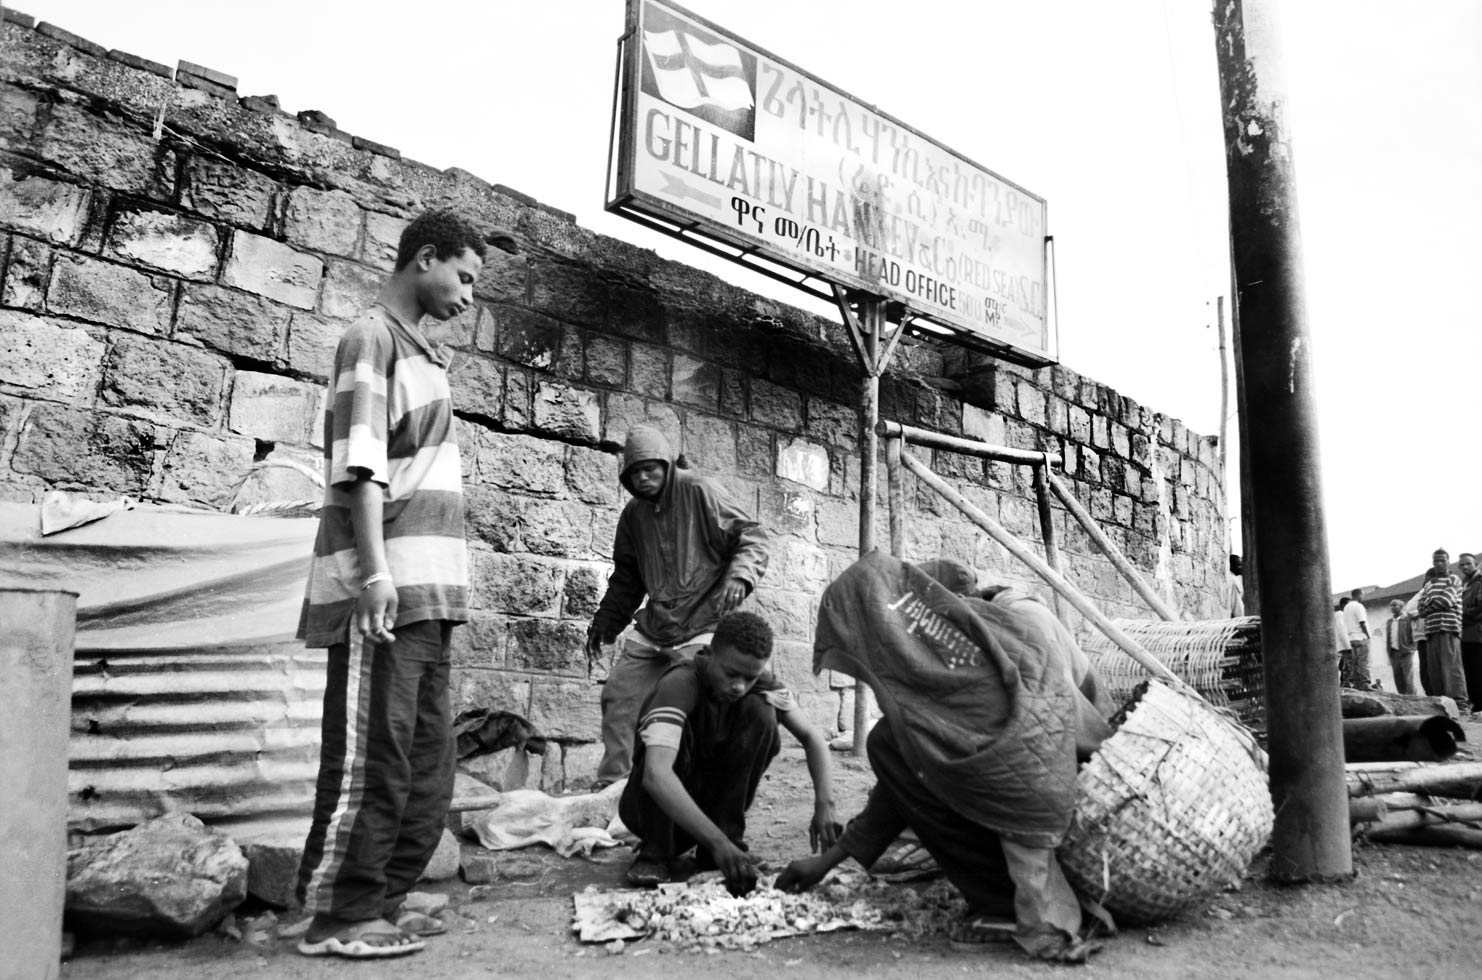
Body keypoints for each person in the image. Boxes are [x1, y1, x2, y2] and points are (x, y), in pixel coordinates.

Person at [293, 209, 512, 959]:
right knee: (372, 754)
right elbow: (360, 468)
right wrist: (376, 574)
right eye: (465, 276)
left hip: (430, 593)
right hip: (383, 590)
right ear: (425, 259)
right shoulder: (372, 338)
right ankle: (342, 915)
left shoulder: (424, 354)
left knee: (426, 762)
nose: (469, 295)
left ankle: (383, 897)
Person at [778, 553, 1113, 964]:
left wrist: (1036, 908)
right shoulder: (965, 642)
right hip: (1064, 797)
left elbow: (1029, 777)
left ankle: (1003, 906)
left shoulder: (998, 642)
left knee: (888, 743)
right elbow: (898, 788)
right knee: (894, 743)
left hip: (1073, 807)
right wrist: (826, 861)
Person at [586, 424, 769, 788]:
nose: (643, 478)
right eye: (634, 472)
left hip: (704, 621)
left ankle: (690, 787)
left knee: (694, 705)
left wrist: (739, 577)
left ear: (667, 465)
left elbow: (752, 537)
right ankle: (614, 787)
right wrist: (605, 621)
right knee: (618, 695)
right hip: (656, 625)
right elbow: (627, 578)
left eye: (650, 468)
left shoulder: (700, 490)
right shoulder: (633, 516)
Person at [617, 611, 838, 894]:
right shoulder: (680, 684)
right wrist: (719, 842)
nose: (739, 686)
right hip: (650, 813)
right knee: (675, 735)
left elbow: (812, 737)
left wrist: (825, 805)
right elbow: (656, 775)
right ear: (710, 655)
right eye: (731, 674)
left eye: (749, 677)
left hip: (707, 815)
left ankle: (722, 848)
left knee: (763, 712)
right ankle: (655, 853)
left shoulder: (756, 682)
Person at [1417, 549, 1469, 714]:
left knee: (1452, 669)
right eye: (1436, 561)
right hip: (1431, 630)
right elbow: (1420, 606)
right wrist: (1430, 606)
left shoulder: (1454, 579)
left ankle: (1461, 706)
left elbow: (1446, 601)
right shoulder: (1429, 584)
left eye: (1442, 560)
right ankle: (1443, 707)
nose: (1439, 564)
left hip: (1449, 628)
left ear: (1448, 561)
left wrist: (1428, 607)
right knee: (1435, 671)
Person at [1460, 553, 1482, 711]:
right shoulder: (1463, 583)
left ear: (1476, 564)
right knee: (1468, 670)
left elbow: (1479, 607)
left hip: (1477, 632)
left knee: (1477, 669)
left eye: (1468, 563)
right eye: (1462, 564)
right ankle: (1475, 705)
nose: (1465, 567)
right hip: (1464, 634)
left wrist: (1460, 615)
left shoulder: (1480, 582)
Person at [1384, 598, 1420, 695]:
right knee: (1398, 677)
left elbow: (1414, 634)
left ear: (1401, 607)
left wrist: (1412, 649)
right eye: (1391, 605)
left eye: (1394, 605)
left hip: (1406, 652)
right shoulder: (1389, 621)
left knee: (1408, 677)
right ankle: (1402, 697)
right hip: (1394, 653)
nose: (1392, 607)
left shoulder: (1407, 619)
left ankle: (1412, 698)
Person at [1343, 588, 1374, 689]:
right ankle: (1365, 683)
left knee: (1355, 662)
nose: (1363, 597)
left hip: (1351, 638)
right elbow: (1362, 622)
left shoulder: (1346, 607)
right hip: (1361, 637)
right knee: (1364, 661)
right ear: (1360, 595)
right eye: (1363, 595)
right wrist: (1368, 635)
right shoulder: (1359, 606)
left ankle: (1357, 683)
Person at [1334, 598, 1356, 687]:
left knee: (1347, 664)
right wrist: (1348, 646)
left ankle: (1347, 683)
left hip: (1347, 645)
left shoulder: (1346, 615)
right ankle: (1346, 683)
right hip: (1346, 645)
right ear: (1343, 605)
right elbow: (1342, 631)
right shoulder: (1340, 614)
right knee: (1348, 665)